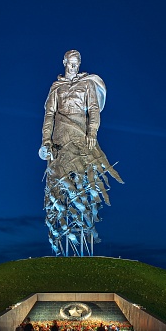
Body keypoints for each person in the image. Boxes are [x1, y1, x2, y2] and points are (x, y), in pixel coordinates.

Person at [40, 50, 123, 256]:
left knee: (85, 185)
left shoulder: (87, 84)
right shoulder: (56, 87)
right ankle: (59, 239)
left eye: (77, 64)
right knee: (58, 186)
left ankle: (86, 227)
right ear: (64, 62)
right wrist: (46, 141)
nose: (73, 67)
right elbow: (49, 115)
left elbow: (93, 110)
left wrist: (92, 131)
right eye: (71, 63)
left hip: (81, 137)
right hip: (59, 139)